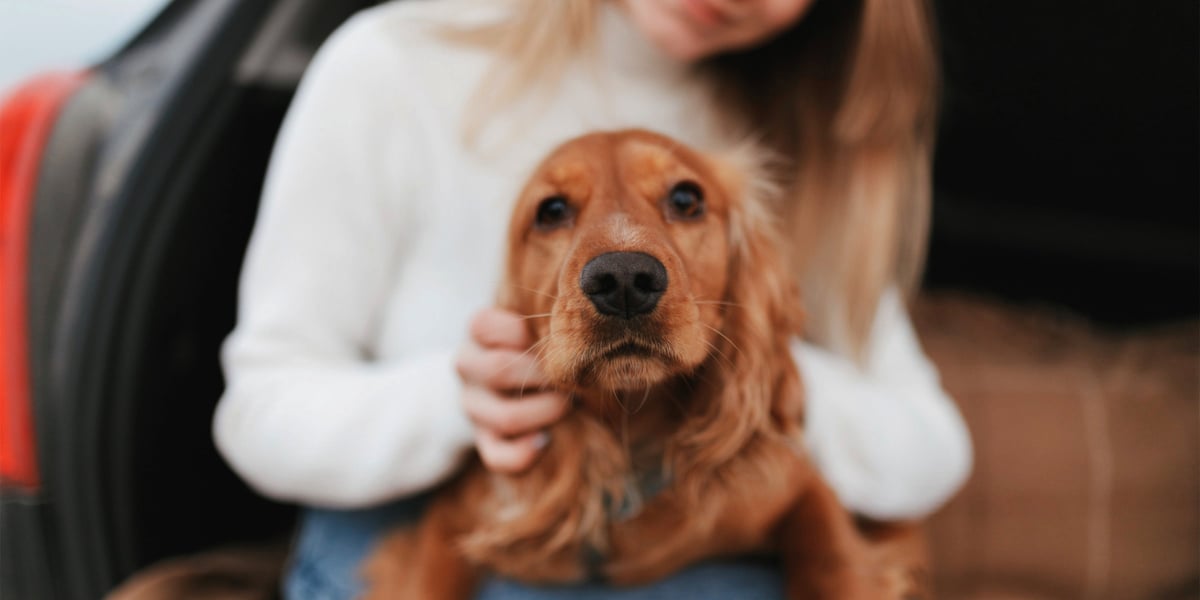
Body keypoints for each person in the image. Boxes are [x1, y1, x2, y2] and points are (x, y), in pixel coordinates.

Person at [213, 0, 973, 598]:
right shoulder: (395, 66)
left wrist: (764, 364)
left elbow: (932, 451)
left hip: (708, 561)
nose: (623, 273)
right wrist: (459, 398)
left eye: (682, 202)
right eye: (552, 212)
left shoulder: (799, 128)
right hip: (452, 555)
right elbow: (259, 414)